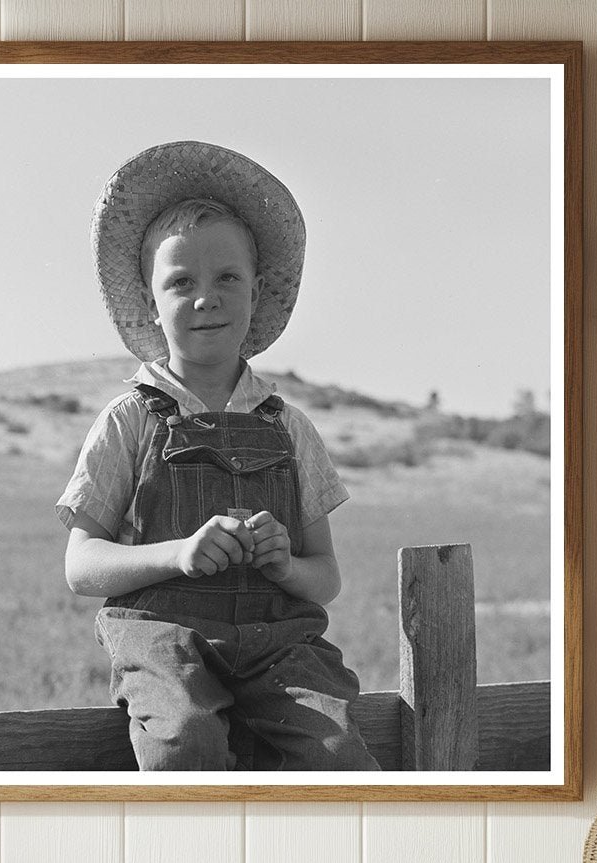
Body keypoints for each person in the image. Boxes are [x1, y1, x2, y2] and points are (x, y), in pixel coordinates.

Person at [56, 140, 380, 772]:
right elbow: (80, 566)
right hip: (162, 639)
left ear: (257, 292)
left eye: (227, 277)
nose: (207, 298)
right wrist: (177, 554)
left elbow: (325, 578)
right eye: (181, 282)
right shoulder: (129, 420)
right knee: (185, 740)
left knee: (338, 749)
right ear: (150, 302)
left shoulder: (289, 427)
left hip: (279, 646)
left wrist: (284, 564)